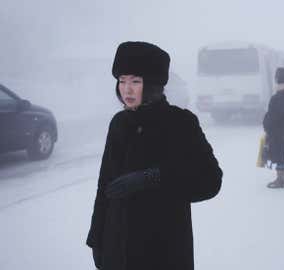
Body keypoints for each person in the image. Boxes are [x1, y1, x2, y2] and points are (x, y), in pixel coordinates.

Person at [86, 41, 222, 270]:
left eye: (135, 82)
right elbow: (104, 185)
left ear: (152, 85)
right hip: (117, 249)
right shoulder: (119, 124)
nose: (126, 89)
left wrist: (154, 178)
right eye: (122, 81)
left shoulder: (181, 123)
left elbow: (211, 181)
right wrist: (97, 240)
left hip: (164, 251)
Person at [263, 68, 284, 189]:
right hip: (279, 126)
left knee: (280, 151)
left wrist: (268, 122)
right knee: (278, 150)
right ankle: (280, 178)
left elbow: (278, 112)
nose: (275, 79)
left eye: (277, 76)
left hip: (278, 127)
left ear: (282, 78)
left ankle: (281, 180)